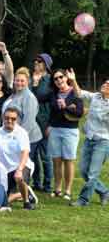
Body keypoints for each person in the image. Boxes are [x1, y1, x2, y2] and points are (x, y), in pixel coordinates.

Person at [71, 76, 109, 206]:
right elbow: (79, 93)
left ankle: (83, 200)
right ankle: (104, 191)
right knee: (83, 171)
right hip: (89, 139)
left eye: (107, 84)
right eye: (105, 82)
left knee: (93, 173)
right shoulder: (96, 96)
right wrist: (74, 79)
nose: (104, 84)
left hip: (103, 141)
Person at [47, 68, 84, 200]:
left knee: (68, 160)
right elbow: (52, 112)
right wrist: (49, 126)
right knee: (56, 160)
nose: (58, 80)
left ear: (66, 77)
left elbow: (79, 112)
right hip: (55, 130)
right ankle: (57, 189)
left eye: (61, 77)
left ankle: (67, 191)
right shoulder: (54, 93)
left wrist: (67, 106)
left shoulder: (75, 92)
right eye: (55, 79)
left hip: (70, 130)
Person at [0, 107, 38, 210]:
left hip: (21, 165)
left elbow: (25, 152)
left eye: (13, 119)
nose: (9, 121)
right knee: (1, 201)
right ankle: (22, 194)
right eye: (7, 118)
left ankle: (26, 202)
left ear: (17, 120)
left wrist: (20, 170)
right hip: (5, 170)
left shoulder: (22, 133)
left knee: (19, 178)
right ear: (3, 118)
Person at [2, 67, 42, 152]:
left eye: (22, 81)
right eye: (17, 80)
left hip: (27, 139)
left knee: (25, 164)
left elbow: (29, 122)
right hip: (11, 135)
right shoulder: (14, 94)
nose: (19, 83)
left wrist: (18, 138)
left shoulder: (29, 97)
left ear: (28, 82)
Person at [30, 53, 54, 193]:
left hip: (45, 122)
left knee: (45, 156)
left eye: (40, 61)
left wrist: (51, 124)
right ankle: (36, 183)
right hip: (32, 122)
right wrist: (33, 82)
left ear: (46, 65)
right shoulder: (30, 78)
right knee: (32, 155)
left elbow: (48, 101)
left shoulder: (50, 80)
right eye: (35, 60)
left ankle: (48, 185)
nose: (36, 63)